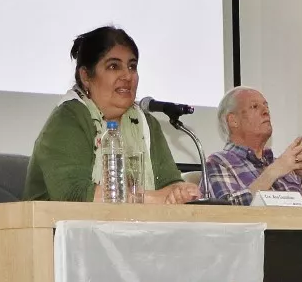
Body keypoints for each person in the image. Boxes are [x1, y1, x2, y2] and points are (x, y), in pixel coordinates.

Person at [23, 26, 201, 204]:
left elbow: (169, 183)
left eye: (132, 66)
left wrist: (181, 192)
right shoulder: (68, 118)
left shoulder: (146, 124)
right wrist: (148, 199)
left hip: (133, 222)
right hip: (54, 222)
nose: (127, 75)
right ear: (86, 76)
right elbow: (74, 193)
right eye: (113, 66)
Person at [202, 87, 302, 207]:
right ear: (233, 120)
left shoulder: (285, 166)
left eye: (266, 106)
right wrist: (272, 173)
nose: (266, 111)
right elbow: (226, 210)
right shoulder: (218, 162)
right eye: (254, 106)